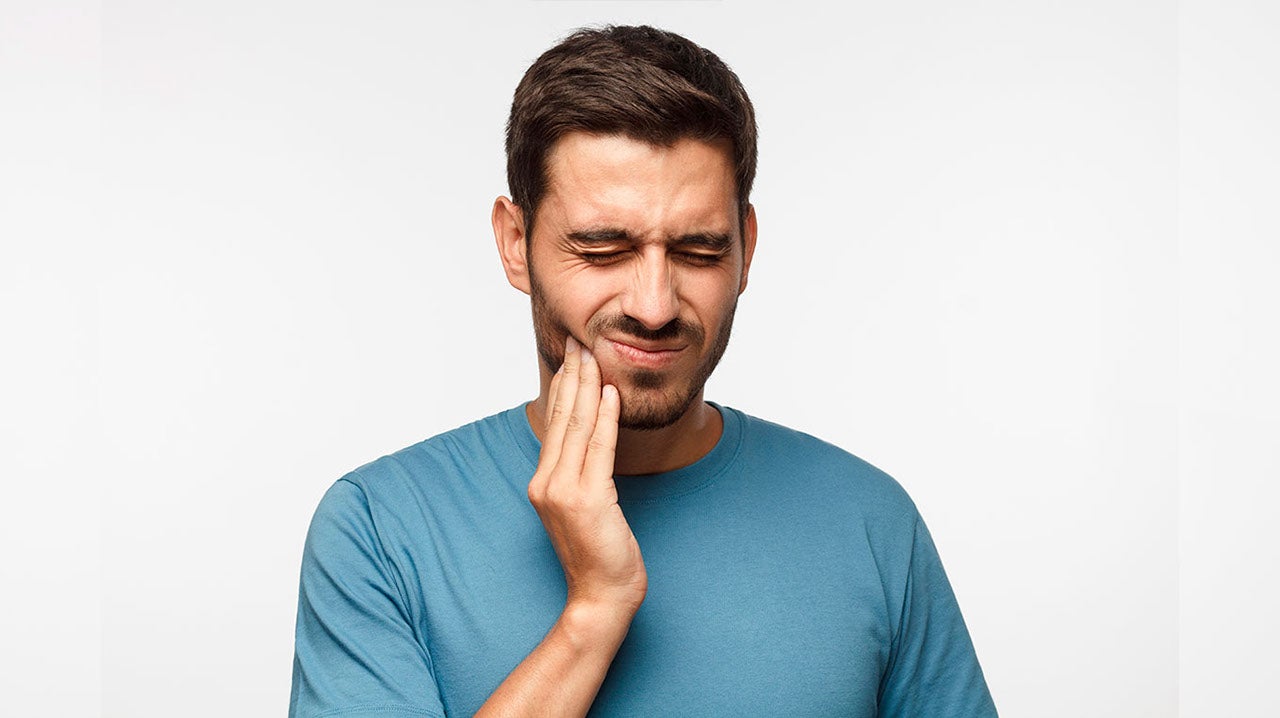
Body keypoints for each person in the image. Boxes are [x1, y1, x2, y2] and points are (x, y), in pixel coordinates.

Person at [289, 25, 997, 718]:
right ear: (514, 243)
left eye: (697, 250)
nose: (654, 307)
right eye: (602, 249)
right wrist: (594, 612)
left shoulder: (870, 522)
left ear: (746, 248)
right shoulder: (379, 530)